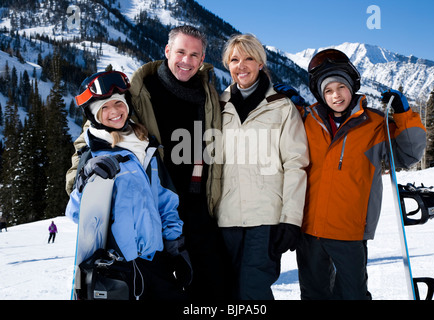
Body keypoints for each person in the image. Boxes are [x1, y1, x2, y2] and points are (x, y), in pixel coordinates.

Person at [65, 26, 231, 300]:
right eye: (180, 52)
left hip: (192, 203)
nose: (186, 61)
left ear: (202, 59)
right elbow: (94, 135)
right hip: (151, 204)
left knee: (214, 283)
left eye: (194, 54)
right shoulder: (138, 90)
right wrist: (83, 177)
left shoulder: (209, 94)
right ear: (167, 51)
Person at [275, 49, 426, 300]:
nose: (336, 96)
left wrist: (403, 116)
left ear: (351, 86)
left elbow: (409, 154)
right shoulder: (307, 120)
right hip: (309, 229)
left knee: (352, 294)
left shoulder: (375, 124)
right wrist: (291, 108)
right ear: (320, 94)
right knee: (313, 294)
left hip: (350, 231)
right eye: (328, 91)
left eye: (341, 87)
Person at [65, 70, 189, 300]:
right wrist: (84, 180)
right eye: (104, 107)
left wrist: (174, 242)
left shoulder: (147, 147)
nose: (114, 112)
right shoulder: (93, 154)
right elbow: (75, 214)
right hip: (117, 266)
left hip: (155, 260)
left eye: (118, 103)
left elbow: (165, 201)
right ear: (93, 114)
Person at [218, 33, 309, 300]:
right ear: (228, 65)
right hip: (225, 219)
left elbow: (296, 165)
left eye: (249, 58)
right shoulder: (217, 106)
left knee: (253, 292)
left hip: (266, 220)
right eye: (235, 59)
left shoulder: (281, 107)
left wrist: (291, 220)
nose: (241, 65)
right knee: (226, 292)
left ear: (260, 63)